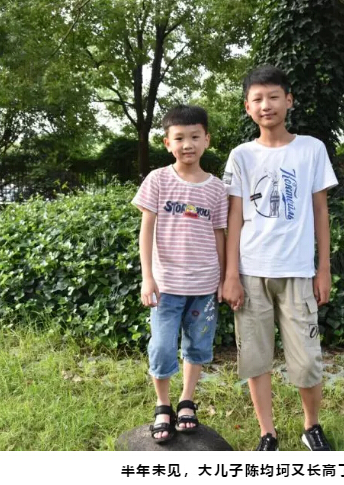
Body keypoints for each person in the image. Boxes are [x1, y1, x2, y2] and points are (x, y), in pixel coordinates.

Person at [222, 65, 338, 451]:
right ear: (247, 107)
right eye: (257, 99)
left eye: (273, 96)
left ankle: (311, 426)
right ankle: (267, 433)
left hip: (298, 272)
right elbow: (234, 217)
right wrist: (231, 274)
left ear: (289, 100)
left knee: (306, 359)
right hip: (250, 271)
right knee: (255, 358)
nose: (266, 105)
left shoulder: (311, 149)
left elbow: (320, 211)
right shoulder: (241, 155)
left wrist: (323, 269)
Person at [131, 105, 227, 443]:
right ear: (167, 143)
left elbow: (219, 234)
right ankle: (163, 405)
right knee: (161, 347)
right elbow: (146, 230)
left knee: (197, 346)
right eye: (180, 138)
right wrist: (147, 276)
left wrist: (223, 277)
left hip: (204, 284)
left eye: (195, 137)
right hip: (166, 285)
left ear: (207, 140)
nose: (188, 144)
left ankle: (186, 401)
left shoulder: (217, 188)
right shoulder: (157, 179)